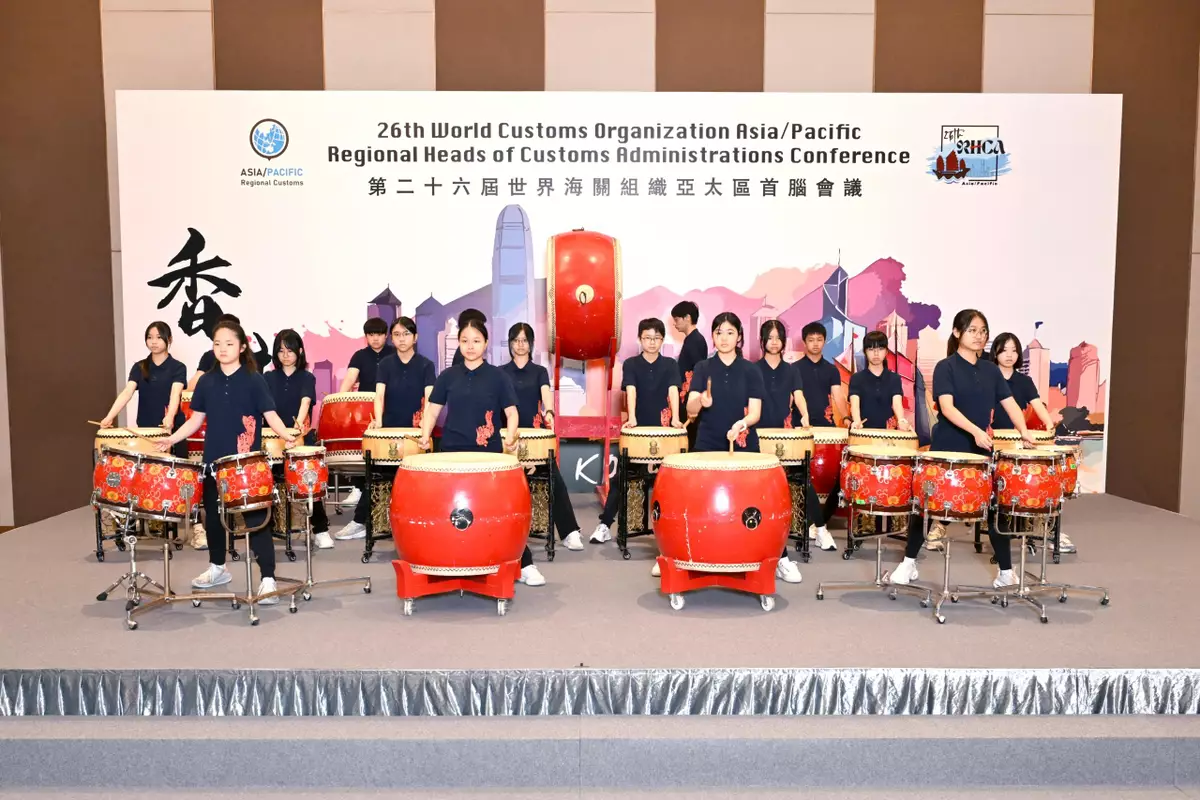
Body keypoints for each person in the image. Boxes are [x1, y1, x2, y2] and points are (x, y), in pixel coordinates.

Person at [889, 309, 1038, 590]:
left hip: (979, 450)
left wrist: (1025, 431)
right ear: (957, 333)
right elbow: (947, 408)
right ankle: (908, 563)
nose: (979, 336)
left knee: (993, 508)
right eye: (972, 330)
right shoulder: (946, 367)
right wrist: (977, 432)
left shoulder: (991, 370)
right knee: (927, 506)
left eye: (983, 331)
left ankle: (1006, 572)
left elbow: (1010, 404)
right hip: (948, 447)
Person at [156, 320, 298, 603]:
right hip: (213, 463)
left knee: (256, 520)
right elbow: (196, 419)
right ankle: (218, 567)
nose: (222, 349)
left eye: (229, 344)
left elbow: (270, 415)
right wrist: (171, 439)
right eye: (217, 343)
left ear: (242, 347)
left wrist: (287, 435)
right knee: (214, 517)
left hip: (246, 465)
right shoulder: (207, 381)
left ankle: (268, 579)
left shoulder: (254, 379)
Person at [417, 317, 546, 586]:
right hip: (451, 454)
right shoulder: (447, 376)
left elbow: (512, 413)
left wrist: (511, 436)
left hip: (489, 455)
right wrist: (425, 435)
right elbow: (432, 411)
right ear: (458, 344)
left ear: (485, 343)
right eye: (465, 341)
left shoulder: (498, 377)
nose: (470, 346)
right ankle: (446, 562)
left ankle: (524, 563)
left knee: (498, 513)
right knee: (448, 511)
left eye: (476, 341)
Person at [685, 312, 802, 584]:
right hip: (708, 442)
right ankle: (685, 554)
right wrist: (701, 400)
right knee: (700, 499)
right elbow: (690, 407)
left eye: (730, 332)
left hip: (743, 441)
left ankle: (780, 558)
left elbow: (756, 413)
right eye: (719, 333)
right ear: (712, 336)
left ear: (739, 337)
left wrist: (741, 423)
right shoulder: (703, 367)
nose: (724, 338)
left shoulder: (750, 370)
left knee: (756, 499)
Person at [335, 316, 436, 543]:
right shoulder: (386, 364)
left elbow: (430, 397)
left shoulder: (426, 365)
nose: (402, 339)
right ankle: (360, 522)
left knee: (418, 481)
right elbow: (379, 395)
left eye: (406, 334)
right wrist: (379, 423)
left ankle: (420, 524)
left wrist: (425, 425)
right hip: (389, 431)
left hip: (415, 432)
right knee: (375, 477)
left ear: (415, 337)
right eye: (397, 335)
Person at [590, 318, 684, 545]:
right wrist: (632, 418)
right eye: (647, 338)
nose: (652, 342)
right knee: (622, 477)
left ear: (662, 340)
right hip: (639, 431)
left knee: (673, 481)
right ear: (640, 339)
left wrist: (676, 418)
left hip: (664, 431)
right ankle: (605, 525)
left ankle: (676, 528)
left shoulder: (670, 364)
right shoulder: (632, 364)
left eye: (656, 338)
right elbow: (630, 391)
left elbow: (673, 391)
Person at [99, 321, 194, 543]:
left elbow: (175, 394)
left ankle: (173, 520)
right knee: (144, 475)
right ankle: (143, 522)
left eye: (159, 337)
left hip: (171, 430)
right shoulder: (140, 367)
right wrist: (109, 416)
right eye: (150, 337)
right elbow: (127, 393)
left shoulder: (177, 367)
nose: (154, 341)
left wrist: (170, 418)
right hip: (146, 430)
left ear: (169, 340)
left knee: (172, 476)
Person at [500, 322, 585, 551]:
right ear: (510, 343)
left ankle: (569, 531)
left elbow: (546, 396)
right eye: (516, 340)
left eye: (524, 340)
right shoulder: (500, 372)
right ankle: (502, 531)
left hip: (535, 437)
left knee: (554, 479)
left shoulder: (539, 372)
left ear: (531, 344)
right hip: (508, 438)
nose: (520, 345)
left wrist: (549, 413)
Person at [990, 332, 1073, 553]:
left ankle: (1042, 525)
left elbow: (1037, 405)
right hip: (991, 439)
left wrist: (1049, 426)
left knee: (1036, 478)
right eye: (1004, 350)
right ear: (995, 352)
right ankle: (942, 524)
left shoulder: (1024, 381)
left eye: (1014, 350)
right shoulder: (987, 377)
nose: (1009, 355)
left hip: (1019, 438)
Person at [264, 329, 333, 550]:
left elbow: (305, 402)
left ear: (300, 352)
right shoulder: (267, 378)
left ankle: (320, 529)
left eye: (290, 351)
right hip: (272, 438)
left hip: (300, 437)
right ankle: (267, 530)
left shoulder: (306, 377)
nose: (285, 355)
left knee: (309, 481)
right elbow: (265, 408)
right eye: (281, 351)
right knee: (267, 482)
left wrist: (296, 429)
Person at [792, 322, 843, 551]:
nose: (815, 344)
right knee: (804, 476)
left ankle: (819, 521)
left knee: (831, 477)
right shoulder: (794, 369)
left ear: (825, 341)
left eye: (819, 340)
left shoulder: (831, 370)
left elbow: (838, 398)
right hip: (800, 428)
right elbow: (793, 397)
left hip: (825, 427)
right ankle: (809, 521)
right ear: (804, 342)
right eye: (811, 340)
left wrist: (848, 418)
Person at [336, 317, 395, 509]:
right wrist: (339, 400)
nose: (375, 338)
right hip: (365, 410)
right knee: (363, 450)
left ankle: (389, 491)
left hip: (390, 407)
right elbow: (350, 378)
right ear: (366, 337)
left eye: (379, 334)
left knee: (386, 451)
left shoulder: (394, 354)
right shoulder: (360, 356)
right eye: (371, 334)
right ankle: (358, 487)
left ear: (386, 336)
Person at [849, 331, 909, 432]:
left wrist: (901, 420)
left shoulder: (894, 378)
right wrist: (857, 421)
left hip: (888, 433)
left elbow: (897, 403)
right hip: (863, 432)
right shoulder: (856, 378)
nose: (876, 354)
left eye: (880, 349)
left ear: (886, 352)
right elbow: (854, 404)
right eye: (871, 349)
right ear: (865, 352)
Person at [671, 300, 708, 451]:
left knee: (690, 440)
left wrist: (693, 402)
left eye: (676, 319)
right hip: (687, 397)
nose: (674, 324)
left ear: (687, 318)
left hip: (691, 399)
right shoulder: (693, 339)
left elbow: (698, 372)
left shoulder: (695, 340)